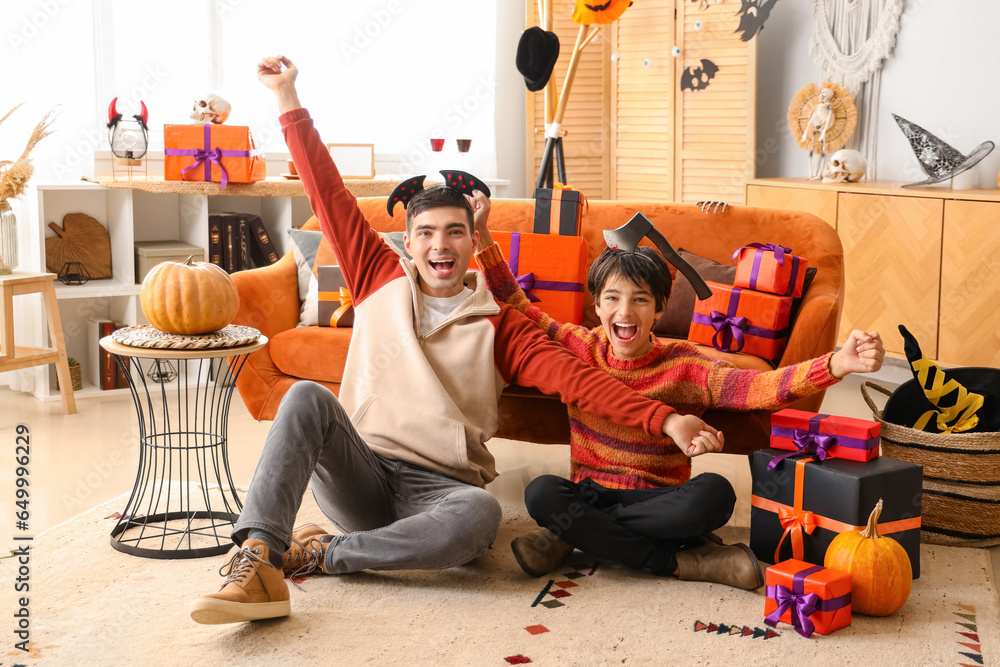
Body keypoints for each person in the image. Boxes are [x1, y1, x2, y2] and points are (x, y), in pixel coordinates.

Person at [188, 56, 728, 625]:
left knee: (481, 516)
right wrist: (286, 96)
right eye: (425, 233)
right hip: (361, 473)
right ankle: (259, 561)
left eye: (454, 232)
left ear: (473, 241)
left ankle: (322, 554)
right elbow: (327, 194)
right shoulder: (377, 275)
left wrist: (667, 419)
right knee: (304, 397)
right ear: (409, 242)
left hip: (442, 492)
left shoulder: (502, 324)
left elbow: (581, 381)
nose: (439, 244)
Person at [470, 195, 884, 586]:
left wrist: (836, 364)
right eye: (612, 298)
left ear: (660, 309)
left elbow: (759, 387)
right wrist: (482, 233)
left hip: (659, 500)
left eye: (640, 300)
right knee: (542, 493)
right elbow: (516, 304)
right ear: (596, 306)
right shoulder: (580, 346)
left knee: (715, 495)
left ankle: (570, 536)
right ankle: (684, 561)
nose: (625, 312)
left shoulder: (686, 363)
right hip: (589, 494)